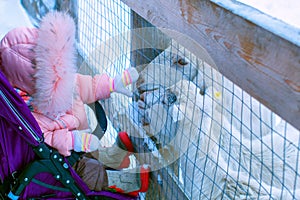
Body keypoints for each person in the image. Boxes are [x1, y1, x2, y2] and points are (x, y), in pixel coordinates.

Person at [0, 11, 149, 196]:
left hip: (77, 136)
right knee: (86, 170)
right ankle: (121, 182)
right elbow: (47, 137)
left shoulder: (57, 79)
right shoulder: (26, 111)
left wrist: (111, 85)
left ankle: (113, 158)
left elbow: (82, 84)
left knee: (91, 154)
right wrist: (74, 141)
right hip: (62, 154)